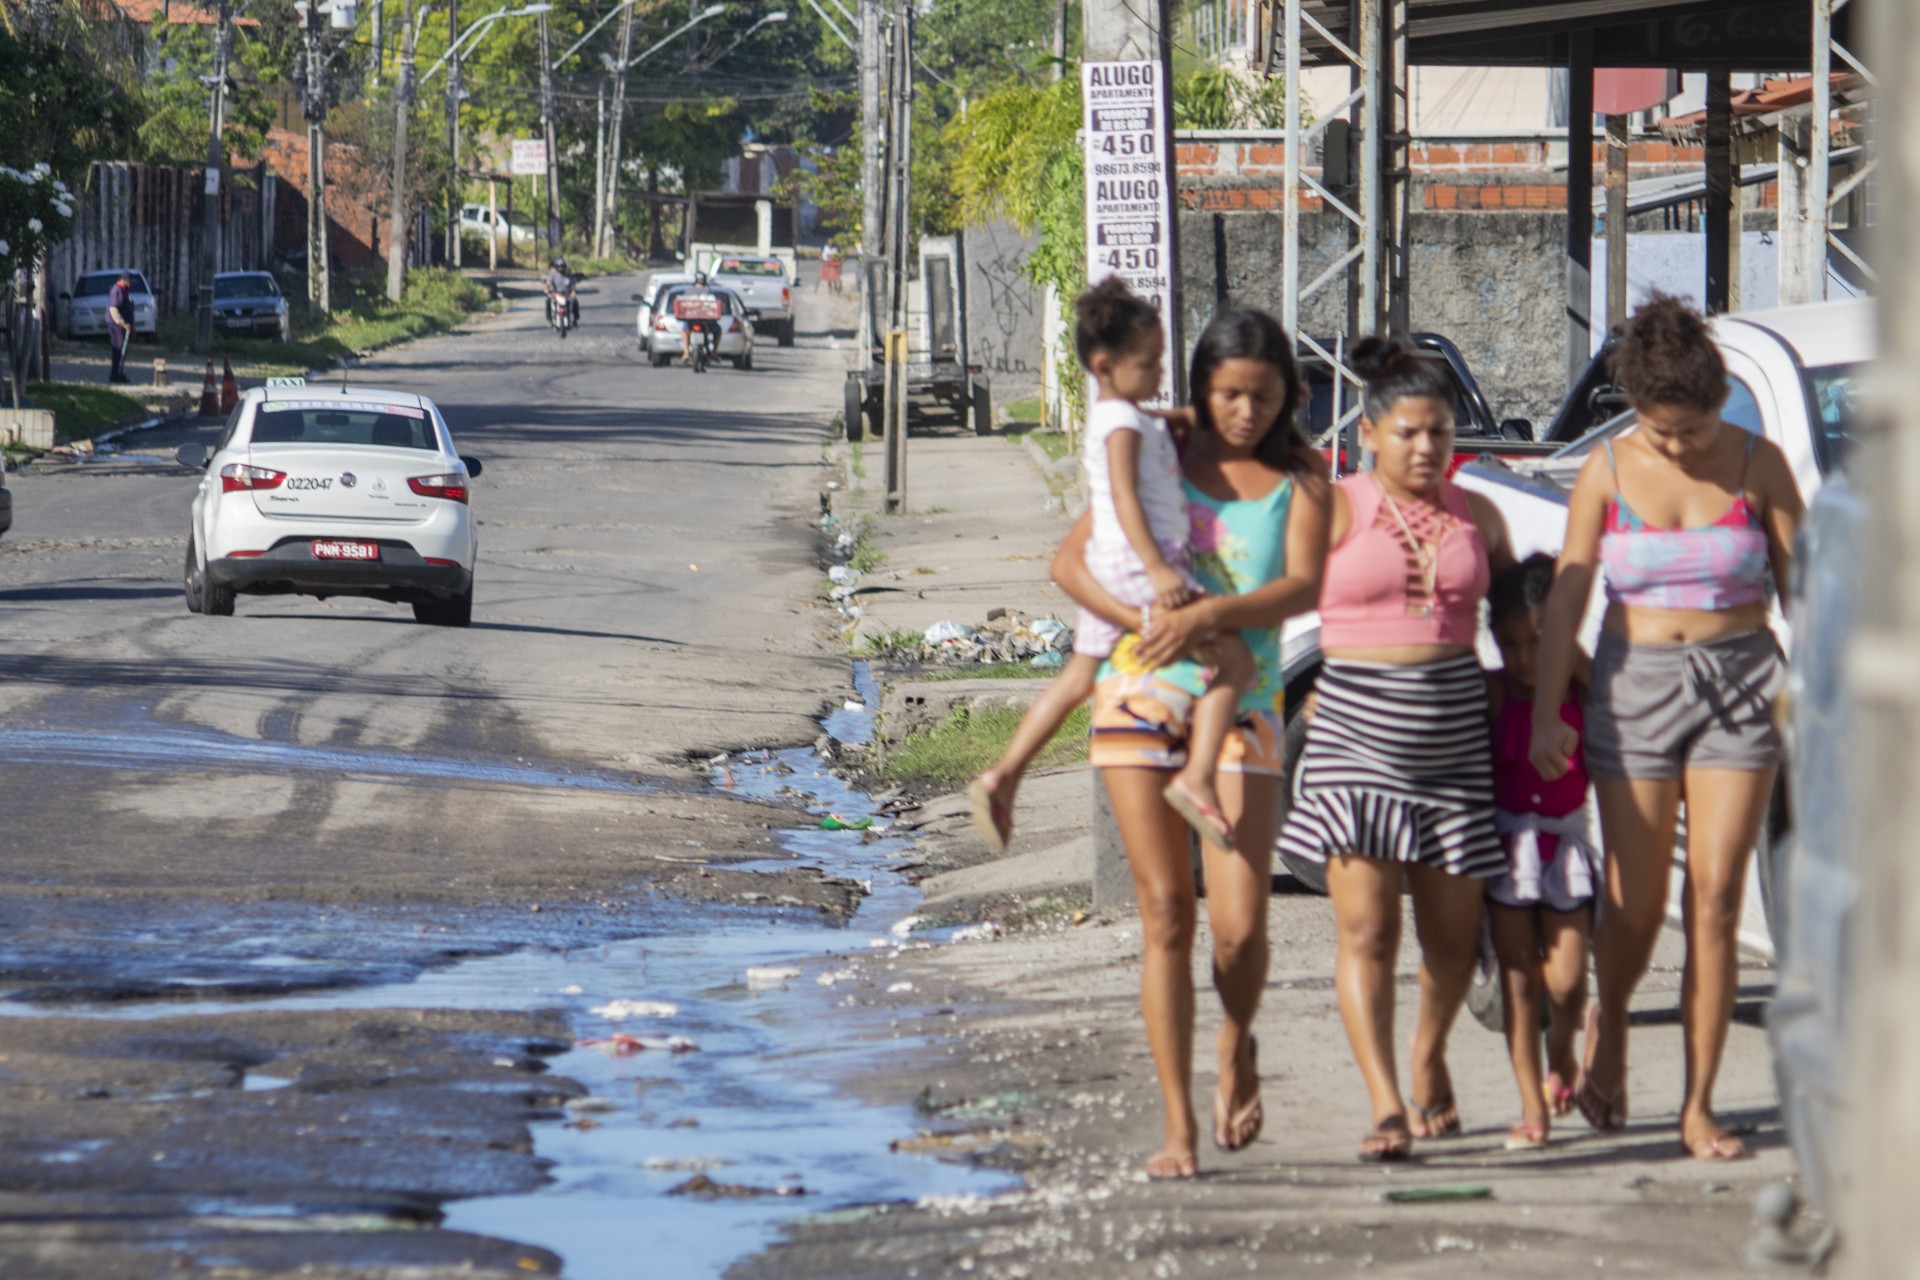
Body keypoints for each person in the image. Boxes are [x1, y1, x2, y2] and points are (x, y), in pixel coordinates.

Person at [1050, 307, 1331, 1179]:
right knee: (1167, 915)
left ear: (1288, 394)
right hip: (1138, 695)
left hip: (1245, 704)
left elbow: (1299, 589)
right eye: (1229, 395)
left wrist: (1210, 613)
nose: (1246, 412)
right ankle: (1177, 1125)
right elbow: (1070, 564)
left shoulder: (1303, 479)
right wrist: (1142, 619)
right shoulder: (1160, 450)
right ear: (1201, 391)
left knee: (1240, 932)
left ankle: (1237, 1040)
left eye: (1265, 395)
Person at [1528, 294, 1803, 1162]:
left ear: (1719, 400)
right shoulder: (1607, 470)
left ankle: (1699, 1103)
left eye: (1691, 430)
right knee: (1636, 904)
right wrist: (1544, 710)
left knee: (1716, 901)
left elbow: (1808, 595)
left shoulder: (1760, 467)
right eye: (1660, 430)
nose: (1677, 448)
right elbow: (1570, 591)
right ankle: (1609, 1034)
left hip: (1741, 686)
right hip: (1633, 686)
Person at [1276, 335, 1514, 1162]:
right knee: (1367, 934)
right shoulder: (1331, 504)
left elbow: (1517, 623)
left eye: (1439, 434)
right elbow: (1276, 595)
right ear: (1370, 433)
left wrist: (1543, 708)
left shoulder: (1477, 514)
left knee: (1451, 943)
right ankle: (1385, 1101)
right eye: (1408, 433)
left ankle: (1428, 1053)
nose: (1425, 448)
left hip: (1453, 738)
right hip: (1350, 739)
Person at [970, 278, 1253, 853]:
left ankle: (1004, 775)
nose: (1158, 374)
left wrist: (1183, 417)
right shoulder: (1121, 424)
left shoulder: (1125, 416)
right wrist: (1158, 571)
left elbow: (1158, 427)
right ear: (1105, 367)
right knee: (1234, 660)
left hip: (1113, 565)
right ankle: (1197, 776)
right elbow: (1122, 498)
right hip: (1138, 565)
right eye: (1149, 364)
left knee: (1078, 677)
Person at [1484, 552, 1600, 1150]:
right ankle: (1532, 1105)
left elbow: (1615, 704)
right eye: (1509, 644)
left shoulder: (1582, 686)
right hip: (1506, 848)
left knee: (1568, 979)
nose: (1525, 661)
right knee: (1519, 981)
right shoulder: (1494, 692)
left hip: (1567, 847)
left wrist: (1565, 645)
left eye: (1537, 642)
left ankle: (1563, 1047)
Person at [105, 271, 133, 384]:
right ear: (124, 279)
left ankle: (119, 372)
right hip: (115, 324)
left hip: (122, 325)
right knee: (118, 348)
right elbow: (113, 309)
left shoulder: (124, 290)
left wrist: (131, 324)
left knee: (122, 349)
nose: (131, 283)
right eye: (130, 280)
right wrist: (122, 323)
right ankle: (115, 374)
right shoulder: (117, 290)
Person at [544, 258, 575, 326]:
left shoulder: (569, 276)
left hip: (566, 294)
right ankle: (550, 318)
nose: (561, 268)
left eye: (562, 266)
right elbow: (548, 283)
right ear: (556, 267)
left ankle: (575, 319)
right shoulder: (553, 275)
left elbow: (573, 286)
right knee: (548, 301)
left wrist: (573, 292)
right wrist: (547, 289)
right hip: (556, 294)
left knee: (575, 301)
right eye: (559, 267)